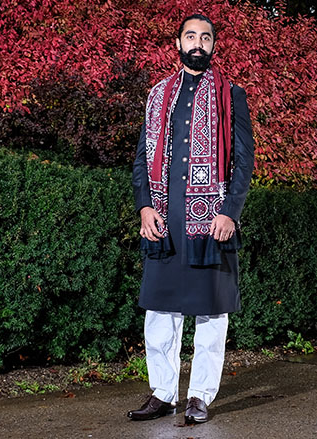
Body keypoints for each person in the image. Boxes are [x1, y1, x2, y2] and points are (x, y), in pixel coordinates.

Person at [127, 13, 255, 424]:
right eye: (190, 36)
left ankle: (199, 395)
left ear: (214, 46)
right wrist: (145, 206)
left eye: (205, 37)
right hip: (165, 219)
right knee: (159, 313)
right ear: (177, 44)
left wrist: (230, 212)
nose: (197, 43)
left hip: (209, 220)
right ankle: (162, 392)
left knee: (210, 312)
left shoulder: (231, 95)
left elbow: (243, 159)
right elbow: (140, 159)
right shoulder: (157, 94)